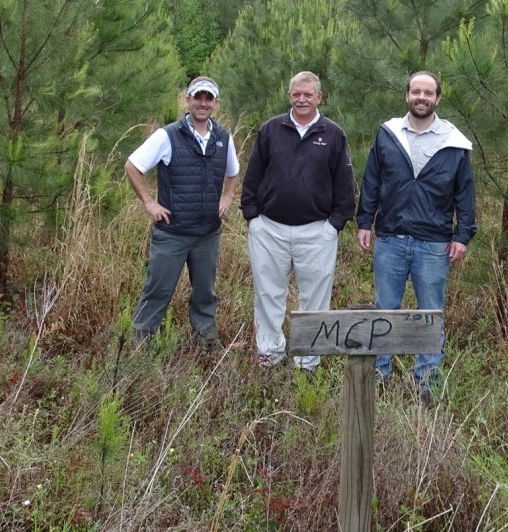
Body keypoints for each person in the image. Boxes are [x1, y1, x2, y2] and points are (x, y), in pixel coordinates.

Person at [355, 70, 476, 401]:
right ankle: (379, 374)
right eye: (416, 92)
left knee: (430, 313)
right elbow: (372, 180)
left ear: (438, 98)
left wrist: (463, 235)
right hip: (390, 238)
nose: (421, 97)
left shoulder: (454, 142)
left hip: (434, 243)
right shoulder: (389, 133)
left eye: (428, 93)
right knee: (385, 309)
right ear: (407, 95)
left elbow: (465, 193)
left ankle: (427, 382)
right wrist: (364, 221)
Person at [241, 71, 356, 369]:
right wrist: (252, 216)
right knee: (268, 294)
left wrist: (335, 224)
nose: (301, 99)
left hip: (317, 231)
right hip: (269, 229)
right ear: (289, 96)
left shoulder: (333, 133)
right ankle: (270, 353)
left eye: (308, 94)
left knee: (315, 299)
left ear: (319, 97)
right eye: (296, 94)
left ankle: (308, 360)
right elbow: (253, 175)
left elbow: (344, 182)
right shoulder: (271, 129)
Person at [125, 76, 239, 347]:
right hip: (172, 233)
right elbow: (133, 166)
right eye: (198, 97)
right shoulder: (167, 136)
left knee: (205, 294)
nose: (203, 103)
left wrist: (228, 196)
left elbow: (233, 172)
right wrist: (149, 203)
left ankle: (206, 343)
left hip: (207, 234)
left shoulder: (223, 138)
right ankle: (140, 344)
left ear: (216, 103)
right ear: (187, 100)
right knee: (158, 291)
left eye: (209, 98)